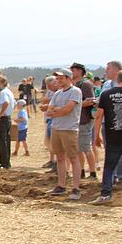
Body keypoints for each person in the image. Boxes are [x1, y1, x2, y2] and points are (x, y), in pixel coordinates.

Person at [45, 69, 83, 200]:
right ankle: (61, 185)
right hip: (57, 128)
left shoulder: (75, 92)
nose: (59, 81)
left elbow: (68, 109)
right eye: (58, 79)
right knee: (60, 157)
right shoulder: (57, 94)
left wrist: (56, 111)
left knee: (73, 158)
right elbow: (49, 110)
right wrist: (57, 111)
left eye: (61, 78)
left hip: (69, 129)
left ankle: (76, 188)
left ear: (68, 78)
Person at [90, 69, 122, 204]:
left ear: (117, 79)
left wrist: (97, 135)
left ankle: (106, 195)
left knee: (109, 166)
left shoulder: (106, 94)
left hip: (113, 135)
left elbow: (99, 116)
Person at [70, 63, 97, 179]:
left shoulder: (85, 84)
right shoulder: (74, 85)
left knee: (86, 147)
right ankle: (81, 171)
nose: (71, 72)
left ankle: (92, 173)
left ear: (80, 71)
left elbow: (92, 101)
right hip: (77, 120)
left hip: (85, 119)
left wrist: (76, 104)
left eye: (73, 70)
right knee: (78, 148)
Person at [100, 61, 122, 183]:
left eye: (108, 69)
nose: (106, 71)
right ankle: (113, 177)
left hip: (121, 123)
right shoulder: (106, 85)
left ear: (116, 70)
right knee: (110, 150)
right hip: (107, 123)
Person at [0, 75, 15, 169]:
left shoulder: (4, 93)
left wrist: (0, 114)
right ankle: (5, 162)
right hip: (7, 118)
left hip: (2, 119)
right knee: (5, 141)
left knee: (1, 142)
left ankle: (4, 163)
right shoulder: (9, 92)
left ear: (3, 83)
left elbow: (6, 102)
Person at [40, 76, 59, 172]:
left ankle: (56, 163)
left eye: (50, 85)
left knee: (54, 143)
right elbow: (43, 100)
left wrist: (47, 105)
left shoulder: (59, 92)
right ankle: (52, 161)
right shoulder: (50, 91)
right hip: (49, 119)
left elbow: (50, 103)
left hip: (55, 120)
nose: (49, 87)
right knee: (49, 142)